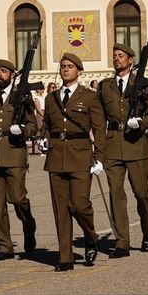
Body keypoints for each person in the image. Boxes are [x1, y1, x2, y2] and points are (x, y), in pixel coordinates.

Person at [43, 52, 106, 271]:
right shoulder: (51, 98)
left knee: (79, 205)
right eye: (62, 66)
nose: (65, 69)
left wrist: (99, 157)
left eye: (70, 66)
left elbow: (99, 129)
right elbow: (48, 126)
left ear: (79, 71)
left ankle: (90, 236)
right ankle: (65, 257)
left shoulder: (89, 96)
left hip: (80, 156)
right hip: (56, 156)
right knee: (61, 209)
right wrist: (45, 140)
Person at [98, 43, 148, 258]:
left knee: (142, 194)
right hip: (113, 145)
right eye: (114, 56)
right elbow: (100, 118)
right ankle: (122, 242)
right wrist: (98, 148)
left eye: (121, 56)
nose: (117, 59)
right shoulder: (105, 86)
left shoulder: (141, 84)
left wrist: (140, 123)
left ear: (131, 60)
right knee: (116, 195)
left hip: (136, 145)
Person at [0, 59, 38, 260]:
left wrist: (22, 130)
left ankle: (28, 224)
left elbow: (33, 126)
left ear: (12, 75)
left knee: (17, 198)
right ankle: (4, 246)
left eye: (3, 71)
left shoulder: (21, 97)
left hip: (14, 153)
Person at [32, 82, 47, 154]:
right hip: (40, 115)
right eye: (41, 89)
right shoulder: (36, 98)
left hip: (44, 113)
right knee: (40, 130)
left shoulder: (44, 97)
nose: (42, 90)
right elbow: (38, 108)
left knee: (44, 131)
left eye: (43, 89)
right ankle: (38, 146)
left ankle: (42, 147)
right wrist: (43, 115)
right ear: (37, 90)